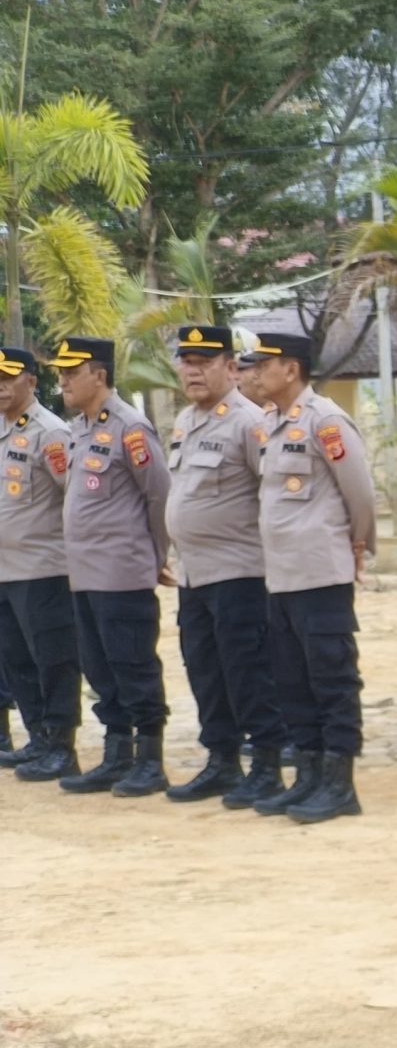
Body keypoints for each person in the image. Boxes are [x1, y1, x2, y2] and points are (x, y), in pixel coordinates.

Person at [239, 328, 374, 823]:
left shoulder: (326, 421)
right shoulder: (271, 423)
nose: (254, 374)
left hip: (320, 572)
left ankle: (339, 784)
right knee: (293, 681)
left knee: (331, 678)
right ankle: (309, 776)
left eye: (262, 365)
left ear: (291, 369)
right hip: (281, 576)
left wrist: (357, 543)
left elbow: (359, 491)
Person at [163, 323, 288, 805]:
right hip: (194, 574)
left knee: (248, 671)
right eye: (187, 363)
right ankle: (222, 761)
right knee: (205, 671)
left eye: (204, 363)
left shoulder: (249, 423)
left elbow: (274, 495)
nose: (193, 372)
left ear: (231, 367)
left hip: (240, 573)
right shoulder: (185, 420)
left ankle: (268, 766)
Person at [50, 335, 173, 797]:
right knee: (100, 668)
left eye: (71, 372)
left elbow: (158, 495)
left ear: (99, 375)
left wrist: (155, 555)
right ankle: (117, 755)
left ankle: (150, 760)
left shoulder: (130, 427)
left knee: (133, 664)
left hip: (122, 571)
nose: (63, 380)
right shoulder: (79, 429)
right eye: (61, 372)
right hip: (84, 573)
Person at [0, 343, 84, 782]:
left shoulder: (50, 433)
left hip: (43, 569)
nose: (0, 387)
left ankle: (62, 746)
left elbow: (75, 497)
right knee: (15, 659)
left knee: (53, 659)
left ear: (31, 381)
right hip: (5, 570)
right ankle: (37, 736)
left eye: (7, 379)